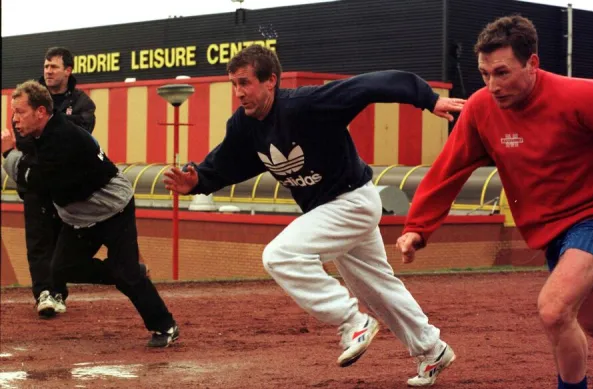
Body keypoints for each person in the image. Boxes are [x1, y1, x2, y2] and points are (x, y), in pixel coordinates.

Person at [164, 44, 465, 386]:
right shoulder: (245, 126)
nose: (238, 92)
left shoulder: (305, 105)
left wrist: (427, 98)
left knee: (280, 255)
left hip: (352, 200)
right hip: (332, 210)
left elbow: (369, 85)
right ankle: (433, 349)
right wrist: (197, 181)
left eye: (245, 82)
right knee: (378, 289)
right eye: (234, 83)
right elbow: (226, 163)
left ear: (270, 81)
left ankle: (352, 321)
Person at [396, 15, 593, 389]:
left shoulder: (582, 96)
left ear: (532, 64)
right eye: (485, 74)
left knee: (554, 309)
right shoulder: (480, 109)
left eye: (502, 73)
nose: (492, 85)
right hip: (552, 233)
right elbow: (447, 170)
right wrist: (417, 228)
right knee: (592, 322)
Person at [2, 80, 178, 348]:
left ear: (40, 112)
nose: (14, 119)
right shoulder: (41, 135)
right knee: (62, 268)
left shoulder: (61, 137)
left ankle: (165, 326)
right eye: (13, 112)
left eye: (20, 112)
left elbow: (33, 179)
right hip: (80, 218)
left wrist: (6, 153)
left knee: (127, 276)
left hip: (112, 209)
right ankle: (127, 271)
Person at [15, 47, 96, 317]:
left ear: (68, 70)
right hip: (36, 182)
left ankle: (59, 292)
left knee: (62, 240)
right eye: (46, 66)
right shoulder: (30, 95)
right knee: (38, 241)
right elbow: (23, 137)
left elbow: (79, 140)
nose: (48, 71)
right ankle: (44, 294)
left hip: (66, 186)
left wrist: (46, 131)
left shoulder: (84, 102)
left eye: (54, 67)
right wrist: (56, 131)